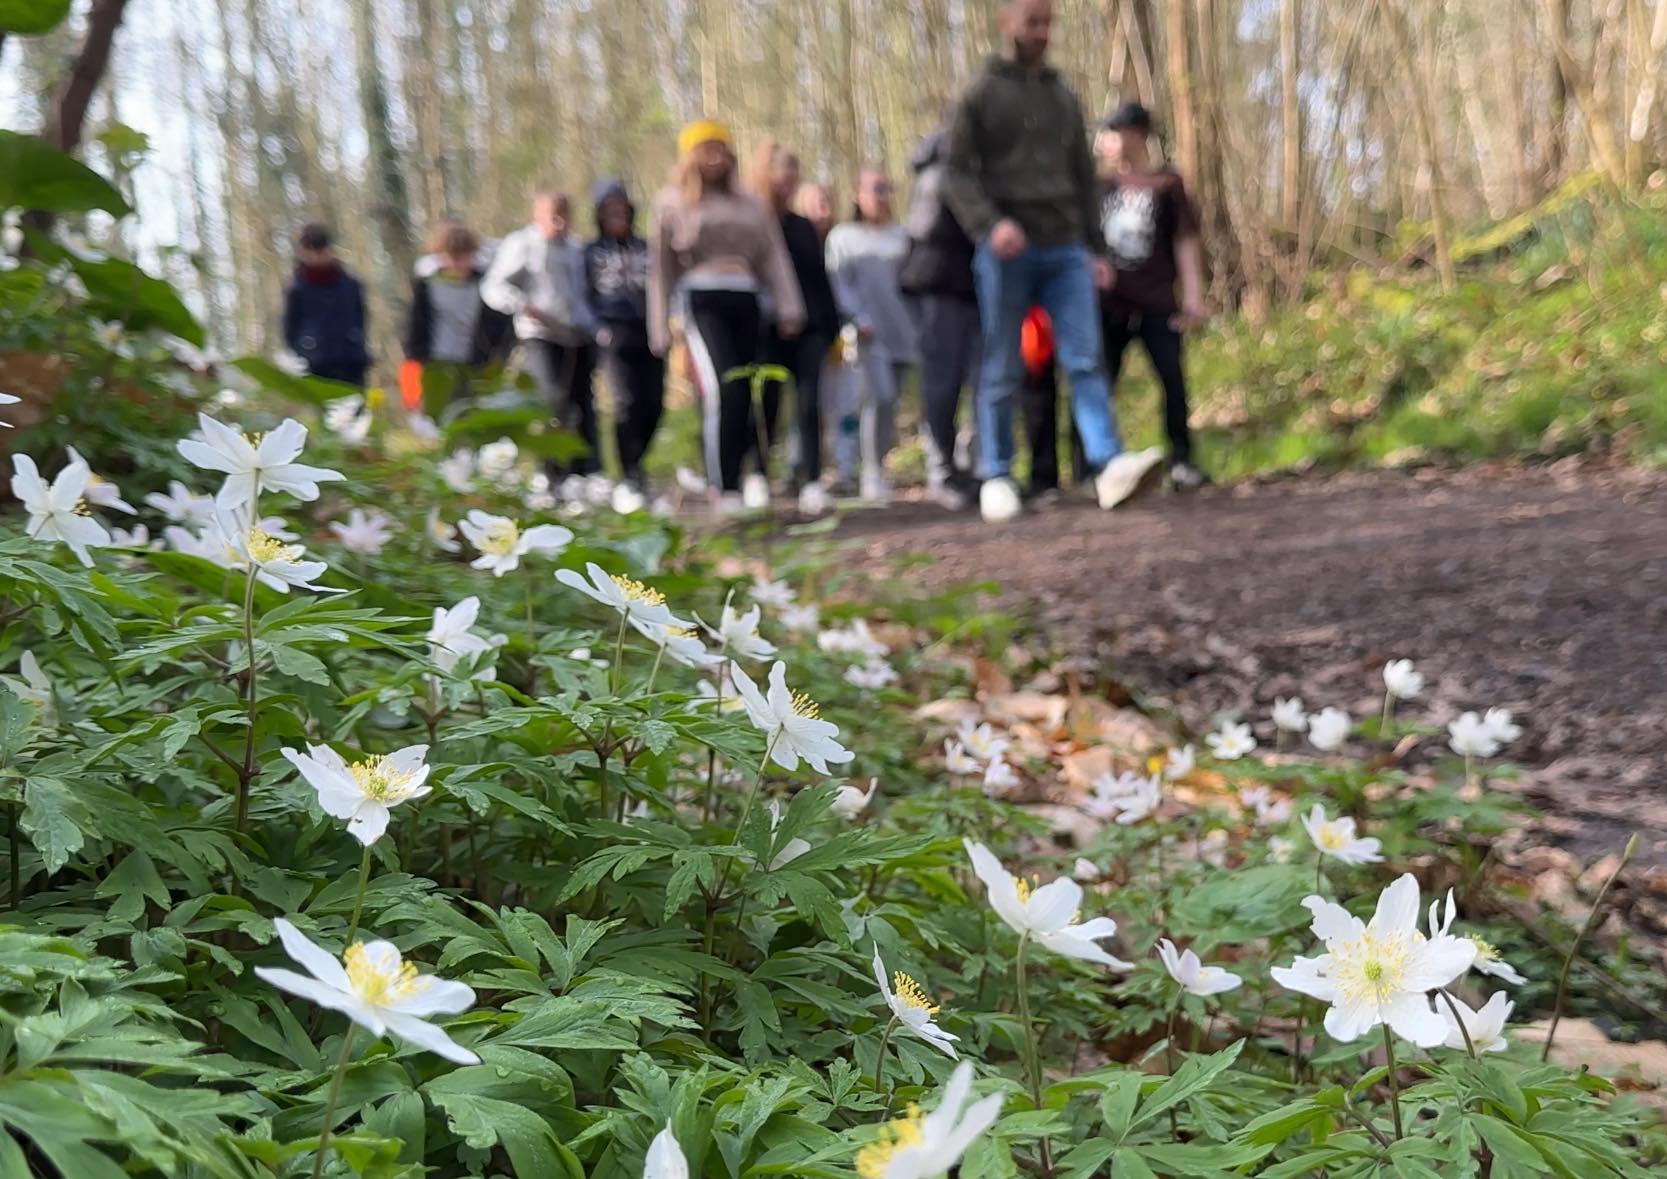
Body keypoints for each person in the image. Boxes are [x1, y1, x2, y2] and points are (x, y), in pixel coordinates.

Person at [944, 0, 1163, 523]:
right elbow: (956, 173)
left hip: (1066, 248)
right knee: (1002, 363)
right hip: (1005, 249)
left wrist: (1095, 249)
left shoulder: (1064, 97)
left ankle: (1107, 465)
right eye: (1032, 22)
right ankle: (997, 472)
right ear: (1006, 22)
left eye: (1047, 23)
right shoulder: (980, 94)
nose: (1041, 32)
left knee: (1085, 359)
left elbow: (1083, 181)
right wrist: (989, 224)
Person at [649, 119, 805, 512]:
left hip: (746, 298)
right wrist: (659, 324)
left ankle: (751, 474)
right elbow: (661, 267)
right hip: (702, 300)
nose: (714, 156)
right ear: (690, 156)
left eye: (720, 147)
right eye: (706, 148)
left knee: (753, 390)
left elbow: (773, 257)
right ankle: (725, 485)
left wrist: (789, 306)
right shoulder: (672, 202)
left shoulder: (750, 203)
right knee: (725, 389)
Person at [1097, 101, 1211, 489]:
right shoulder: (1100, 186)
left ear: (1136, 135)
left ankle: (1182, 460)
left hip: (1158, 301)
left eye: (1113, 133)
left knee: (1172, 380)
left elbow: (1185, 242)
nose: (1106, 143)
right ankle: (1093, 467)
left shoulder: (1168, 184)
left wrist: (1193, 298)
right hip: (1107, 306)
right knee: (1098, 383)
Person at [749, 143, 841, 516]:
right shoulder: (754, 224)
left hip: (810, 329)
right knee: (766, 401)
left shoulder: (804, 227)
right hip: (765, 330)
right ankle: (756, 472)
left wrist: (830, 328)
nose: (787, 184)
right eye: (780, 177)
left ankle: (812, 479)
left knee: (807, 401)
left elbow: (820, 282)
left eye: (792, 178)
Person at [482, 191, 601, 478]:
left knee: (583, 405)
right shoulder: (522, 244)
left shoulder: (576, 249)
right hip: (541, 335)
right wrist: (523, 306)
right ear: (538, 215)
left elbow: (583, 294)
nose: (559, 223)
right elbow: (493, 287)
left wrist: (594, 327)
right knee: (550, 402)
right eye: (553, 216)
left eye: (564, 215)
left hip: (577, 337)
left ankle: (586, 472)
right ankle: (551, 474)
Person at [825, 167, 918, 503]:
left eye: (885, 189)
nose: (880, 196)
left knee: (890, 403)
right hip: (867, 334)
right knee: (876, 398)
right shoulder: (842, 238)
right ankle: (867, 473)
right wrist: (858, 317)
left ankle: (878, 467)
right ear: (857, 194)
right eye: (873, 189)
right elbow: (840, 285)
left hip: (904, 331)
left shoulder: (903, 237)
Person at [901, 126, 981, 510]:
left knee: (985, 382)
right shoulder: (936, 176)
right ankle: (942, 468)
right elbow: (924, 229)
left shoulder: (982, 171)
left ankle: (977, 466)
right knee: (942, 385)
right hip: (938, 290)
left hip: (977, 290)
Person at [585, 179, 662, 513]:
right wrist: (597, 328)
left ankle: (638, 463)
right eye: (610, 210)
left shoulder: (648, 248)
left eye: (622, 209)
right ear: (600, 215)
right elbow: (581, 294)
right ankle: (629, 475)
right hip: (613, 335)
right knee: (624, 405)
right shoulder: (589, 253)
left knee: (654, 405)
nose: (617, 216)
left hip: (651, 332)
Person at [401, 221, 511, 415]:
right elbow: (414, 329)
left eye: (463, 256)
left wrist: (496, 357)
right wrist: (416, 363)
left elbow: (501, 326)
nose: (457, 263)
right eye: (452, 256)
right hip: (437, 364)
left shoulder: (486, 285)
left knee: (473, 415)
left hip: (475, 365)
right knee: (443, 415)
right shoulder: (426, 287)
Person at [282, 223, 370, 387]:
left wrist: (356, 343)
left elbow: (360, 318)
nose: (316, 256)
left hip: (350, 362)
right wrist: (303, 352)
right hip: (315, 365)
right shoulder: (296, 289)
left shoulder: (350, 284)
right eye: (310, 250)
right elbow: (290, 328)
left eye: (320, 250)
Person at [1018, 306, 1086, 502]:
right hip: (1030, 316)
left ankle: (1088, 471)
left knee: (1085, 381)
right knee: (1037, 394)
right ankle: (1042, 479)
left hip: (1065, 307)